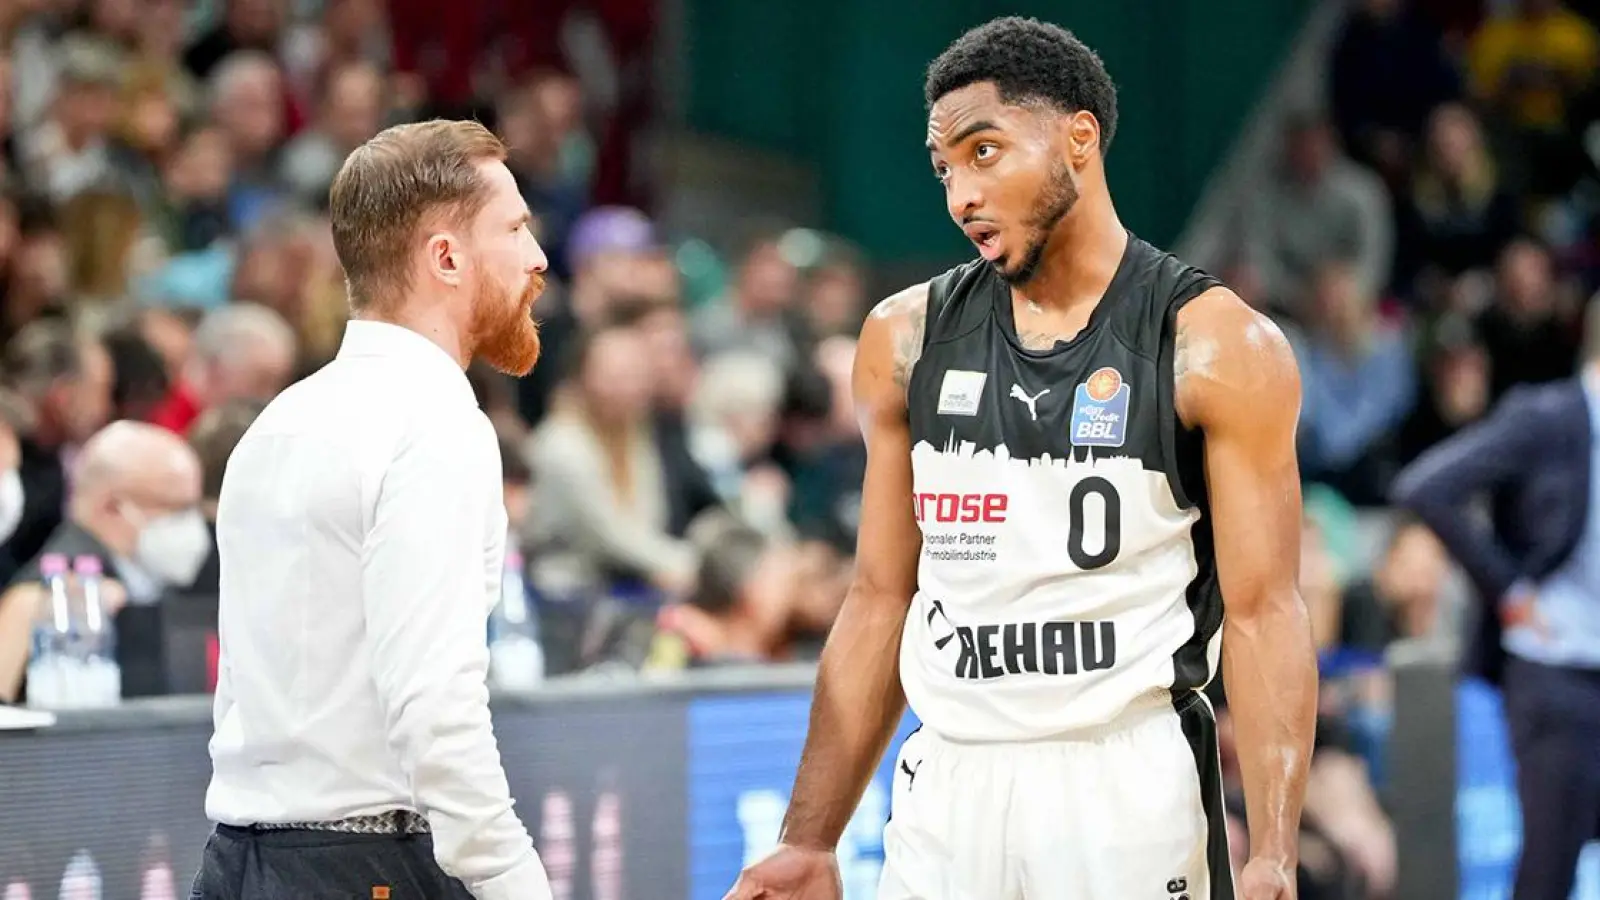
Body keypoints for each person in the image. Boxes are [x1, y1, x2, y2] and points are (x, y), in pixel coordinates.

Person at [725, 17, 1317, 900]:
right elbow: (882, 596)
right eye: (945, 169)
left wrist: (1271, 848)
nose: (961, 192)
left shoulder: (1216, 344)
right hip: (952, 779)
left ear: (1079, 138)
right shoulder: (905, 336)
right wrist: (812, 839)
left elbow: (1268, 612)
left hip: (1124, 779)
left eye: (985, 151)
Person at [193, 120, 553, 900]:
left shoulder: (277, 422)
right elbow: (433, 703)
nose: (539, 259)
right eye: (517, 228)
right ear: (446, 257)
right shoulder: (435, 424)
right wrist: (511, 875)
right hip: (369, 869)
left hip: (238, 865)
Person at [1392, 343, 1600, 900]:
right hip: (1557, 671)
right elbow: (1427, 487)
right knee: (1550, 864)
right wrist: (1508, 588)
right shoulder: (1549, 417)